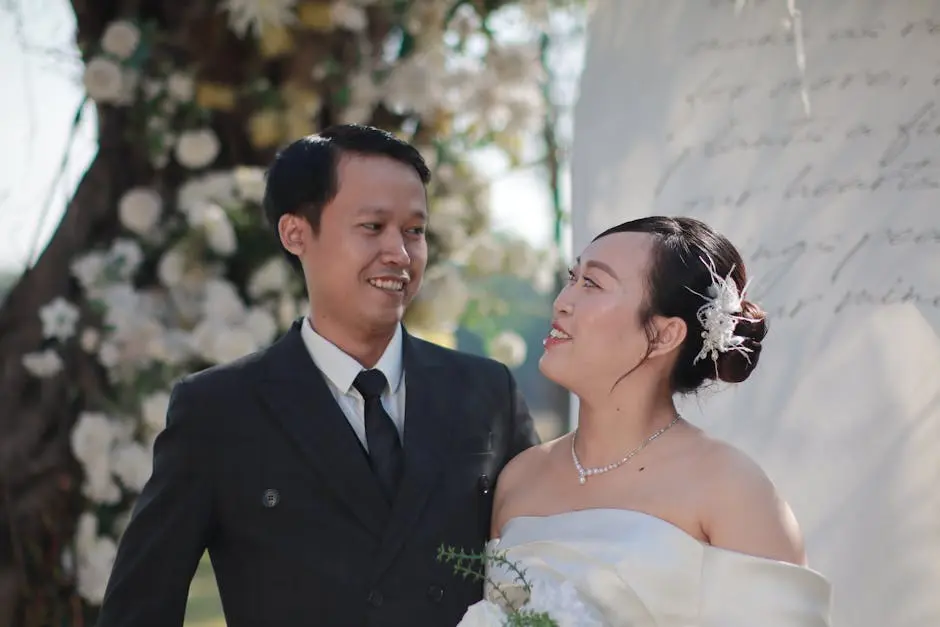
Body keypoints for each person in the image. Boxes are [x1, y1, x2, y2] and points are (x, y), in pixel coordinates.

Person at [97, 124, 540, 627]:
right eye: (373, 226)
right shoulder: (218, 411)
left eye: (414, 230)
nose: (399, 252)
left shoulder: (486, 392)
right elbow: (138, 609)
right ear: (296, 233)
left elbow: (547, 567)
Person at [472, 216, 832, 626]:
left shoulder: (732, 487)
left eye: (592, 284)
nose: (562, 301)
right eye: (572, 278)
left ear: (664, 335)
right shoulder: (520, 476)